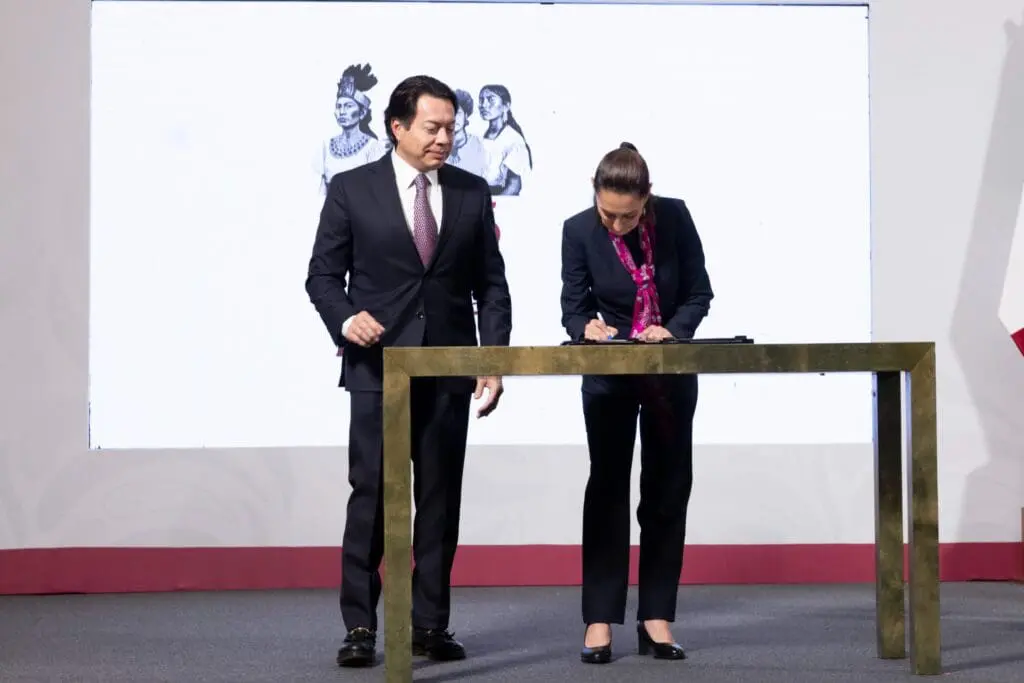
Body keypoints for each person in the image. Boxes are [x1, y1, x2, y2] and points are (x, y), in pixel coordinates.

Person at [305, 74, 513, 668]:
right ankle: (360, 626)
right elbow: (322, 276)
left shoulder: (472, 193)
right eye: (433, 127)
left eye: (451, 127)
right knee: (371, 496)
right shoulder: (351, 189)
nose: (445, 137)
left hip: (449, 371)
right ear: (397, 127)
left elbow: (491, 286)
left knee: (441, 500)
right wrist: (346, 320)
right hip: (378, 371)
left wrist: (491, 360)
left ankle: (429, 625)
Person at [559, 142, 713, 664]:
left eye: (627, 216)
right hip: (609, 374)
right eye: (608, 214)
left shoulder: (675, 218)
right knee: (606, 490)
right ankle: (599, 619)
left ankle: (656, 618)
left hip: (668, 371)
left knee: (668, 489)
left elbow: (699, 293)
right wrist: (586, 327)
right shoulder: (578, 229)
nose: (616, 225)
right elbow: (573, 306)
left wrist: (672, 330)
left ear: (647, 199)